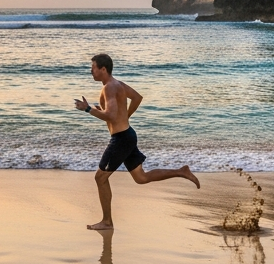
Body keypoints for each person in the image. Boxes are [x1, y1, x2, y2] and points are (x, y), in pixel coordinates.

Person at [74, 53, 199, 231]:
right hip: (128, 135)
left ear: (103, 69)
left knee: (100, 177)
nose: (90, 71)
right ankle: (181, 171)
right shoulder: (118, 85)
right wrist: (121, 116)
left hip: (121, 140)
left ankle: (107, 221)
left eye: (93, 67)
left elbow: (110, 115)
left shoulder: (109, 87)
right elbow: (136, 98)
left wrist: (87, 109)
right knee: (141, 177)